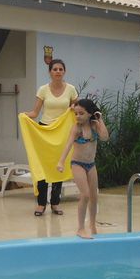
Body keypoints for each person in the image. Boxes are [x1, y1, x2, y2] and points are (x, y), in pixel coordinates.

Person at [24, 58, 78, 217]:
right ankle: (41, 204)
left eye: (61, 69)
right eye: (55, 69)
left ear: (64, 72)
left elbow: (76, 107)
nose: (58, 72)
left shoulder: (71, 89)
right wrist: (24, 116)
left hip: (62, 132)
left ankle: (55, 203)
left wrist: (74, 108)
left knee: (58, 167)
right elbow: (35, 113)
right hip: (45, 130)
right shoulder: (43, 90)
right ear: (50, 72)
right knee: (42, 167)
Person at [56, 97, 109, 238]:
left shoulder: (94, 126)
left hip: (91, 165)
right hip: (77, 164)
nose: (78, 116)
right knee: (85, 195)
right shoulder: (76, 128)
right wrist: (61, 162)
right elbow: (68, 145)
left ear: (90, 114)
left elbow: (104, 137)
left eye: (81, 113)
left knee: (94, 196)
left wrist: (100, 120)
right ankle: (80, 228)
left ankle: (92, 224)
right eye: (76, 114)